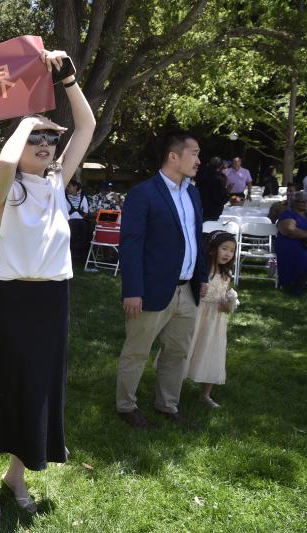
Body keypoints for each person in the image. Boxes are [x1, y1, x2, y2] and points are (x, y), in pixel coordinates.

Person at [0, 49, 96, 520]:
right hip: (13, 301)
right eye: (37, 139)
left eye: (50, 139)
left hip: (53, 301)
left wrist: (67, 81)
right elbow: (5, 165)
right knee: (5, 388)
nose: (46, 145)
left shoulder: (57, 184)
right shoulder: (3, 193)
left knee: (41, 390)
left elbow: (83, 127)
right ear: (20, 142)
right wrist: (26, 121)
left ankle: (17, 476)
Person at [116, 131, 208, 429]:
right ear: (173, 156)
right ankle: (126, 406)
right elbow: (130, 245)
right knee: (138, 351)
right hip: (152, 290)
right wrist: (133, 291)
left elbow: (196, 239)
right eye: (193, 153)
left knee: (177, 353)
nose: (198, 160)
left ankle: (167, 405)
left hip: (187, 290)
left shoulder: (193, 192)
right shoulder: (143, 193)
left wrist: (202, 277)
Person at [185, 231, 239, 408]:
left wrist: (228, 302)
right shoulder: (202, 271)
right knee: (187, 349)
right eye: (224, 249)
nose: (227, 254)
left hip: (215, 321)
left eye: (231, 251)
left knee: (212, 353)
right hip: (198, 315)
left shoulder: (227, 275)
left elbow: (225, 306)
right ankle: (172, 388)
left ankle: (205, 394)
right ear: (211, 249)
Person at [275, 191, 307, 296]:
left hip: (302, 243)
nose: (304, 203)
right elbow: (289, 230)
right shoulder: (288, 214)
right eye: (301, 201)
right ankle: (294, 285)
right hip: (289, 243)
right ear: (295, 202)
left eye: (306, 201)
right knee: (301, 255)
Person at [196, 156, 230, 221]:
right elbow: (221, 198)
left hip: (200, 208)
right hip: (214, 211)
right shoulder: (220, 178)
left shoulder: (201, 174)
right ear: (220, 166)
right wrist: (227, 191)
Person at [65, 178, 90, 262]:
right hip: (69, 220)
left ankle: (81, 254)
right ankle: (72, 253)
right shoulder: (64, 197)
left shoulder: (82, 197)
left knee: (84, 226)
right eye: (67, 186)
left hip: (80, 220)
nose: (67, 188)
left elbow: (85, 212)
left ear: (75, 187)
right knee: (72, 226)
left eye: (69, 186)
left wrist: (80, 218)